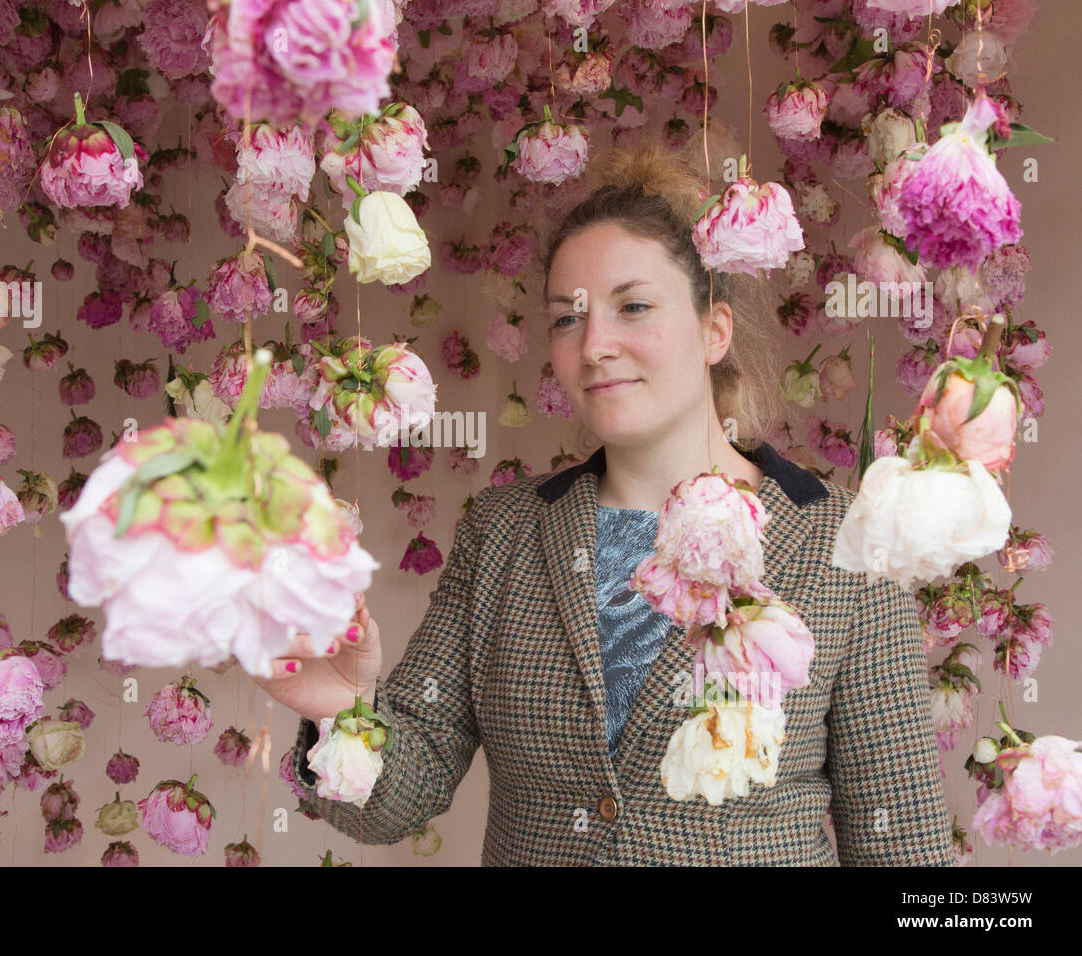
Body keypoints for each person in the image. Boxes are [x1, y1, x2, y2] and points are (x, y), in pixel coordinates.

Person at [249, 144, 956, 866]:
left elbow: (900, 839)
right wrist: (343, 712)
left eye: (634, 307)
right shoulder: (504, 535)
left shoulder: (847, 542)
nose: (594, 346)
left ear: (715, 329)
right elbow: (396, 800)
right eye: (567, 318)